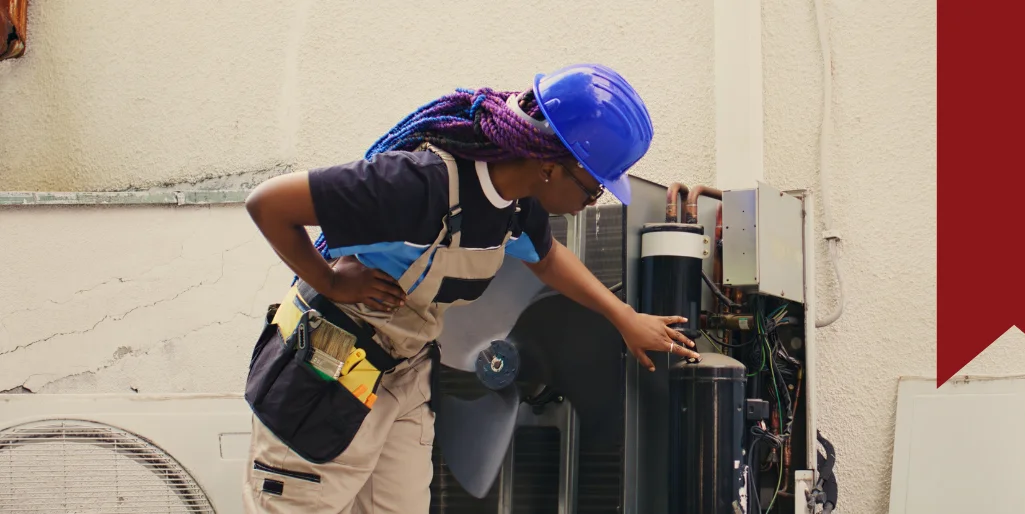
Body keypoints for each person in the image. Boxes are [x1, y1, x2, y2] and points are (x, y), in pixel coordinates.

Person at [239, 63, 701, 513]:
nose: (589, 203)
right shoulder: (417, 184)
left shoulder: (517, 206)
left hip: (402, 375)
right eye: (592, 188)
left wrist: (623, 317)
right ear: (549, 165)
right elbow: (269, 203)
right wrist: (330, 281)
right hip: (330, 372)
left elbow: (547, 258)